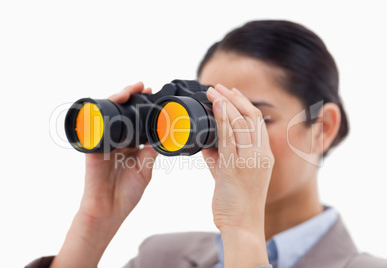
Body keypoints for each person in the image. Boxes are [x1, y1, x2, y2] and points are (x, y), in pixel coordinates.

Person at [26, 20, 387, 268]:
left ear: (322, 127)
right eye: (214, 118)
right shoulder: (162, 257)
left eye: (253, 120)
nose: (230, 140)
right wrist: (96, 219)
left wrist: (243, 231)